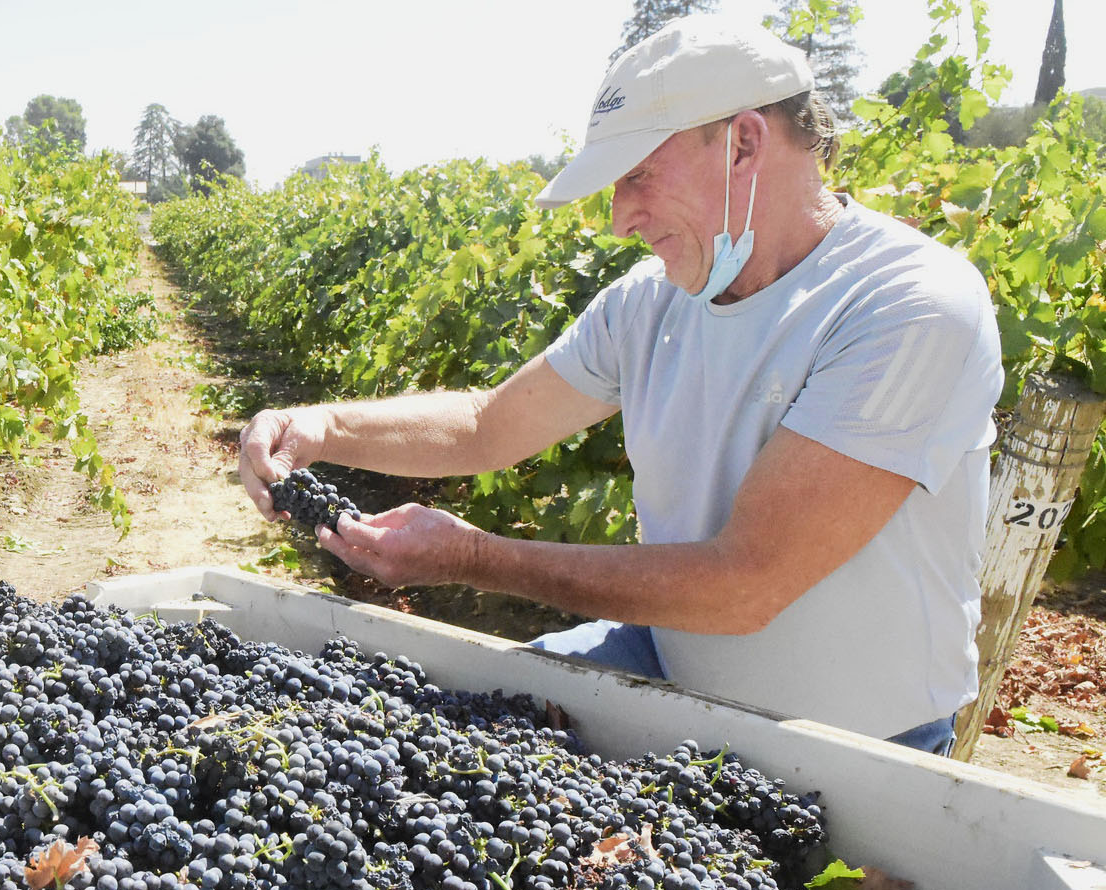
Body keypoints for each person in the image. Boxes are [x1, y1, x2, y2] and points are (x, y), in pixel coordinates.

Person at [238, 16, 1001, 755]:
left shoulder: (905, 306)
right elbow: (486, 425)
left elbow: (746, 585)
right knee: (435, 750)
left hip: (854, 750)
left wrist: (473, 558)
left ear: (744, 143)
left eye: (638, 177)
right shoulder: (652, 302)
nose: (620, 219)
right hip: (670, 668)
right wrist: (324, 426)